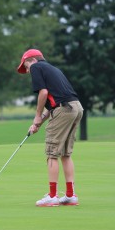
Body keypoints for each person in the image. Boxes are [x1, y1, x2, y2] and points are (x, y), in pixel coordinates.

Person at [17, 49, 83, 207]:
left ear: (31, 60)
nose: (26, 70)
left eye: (25, 66)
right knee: (65, 154)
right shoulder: (54, 69)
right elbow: (56, 101)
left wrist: (37, 115)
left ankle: (52, 196)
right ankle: (70, 195)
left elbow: (44, 93)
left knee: (52, 154)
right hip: (76, 107)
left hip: (64, 109)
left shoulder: (36, 67)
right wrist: (39, 121)